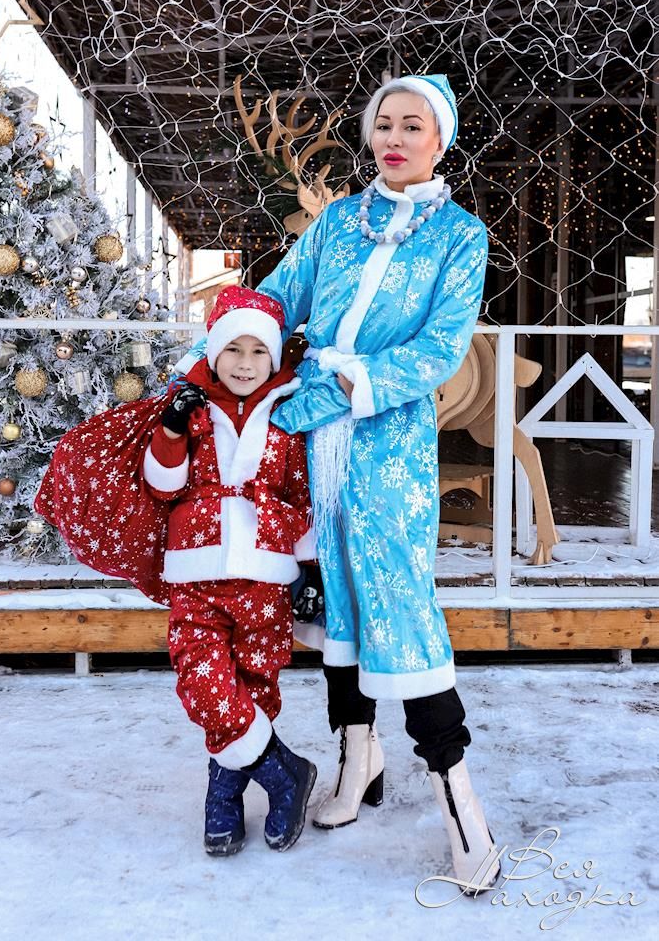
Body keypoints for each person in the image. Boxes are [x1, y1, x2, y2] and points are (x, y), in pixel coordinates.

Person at [255, 73, 501, 893]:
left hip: (388, 445)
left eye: (413, 125)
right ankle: (356, 758)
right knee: (331, 596)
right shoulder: (337, 221)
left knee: (398, 599)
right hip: (310, 441)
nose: (395, 138)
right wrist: (223, 354)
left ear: (441, 140)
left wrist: (342, 389)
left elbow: (439, 349)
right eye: (384, 123)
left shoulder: (461, 236)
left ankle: (458, 798)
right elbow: (277, 299)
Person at [36, 287, 318, 858]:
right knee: (203, 682)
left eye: (258, 352)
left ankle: (225, 795)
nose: (245, 364)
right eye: (233, 349)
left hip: (266, 572)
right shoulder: (190, 407)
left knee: (255, 686)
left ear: (273, 358)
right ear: (214, 353)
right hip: (196, 569)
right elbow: (163, 485)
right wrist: (169, 429)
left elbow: (301, 495)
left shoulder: (290, 414)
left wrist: (309, 572)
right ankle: (284, 771)